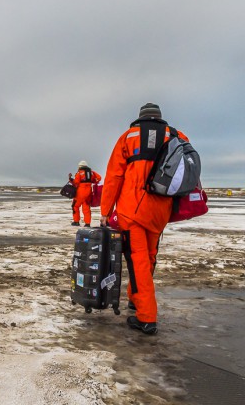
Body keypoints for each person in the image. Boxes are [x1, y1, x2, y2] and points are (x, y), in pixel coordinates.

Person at [100, 103, 190, 335]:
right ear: (159, 118)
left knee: (137, 261)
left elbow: (114, 177)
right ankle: (136, 299)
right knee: (148, 258)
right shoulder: (177, 136)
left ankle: (146, 318)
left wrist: (106, 211)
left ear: (140, 118)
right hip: (161, 211)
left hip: (132, 212)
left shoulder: (127, 137)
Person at [70, 161, 101, 227]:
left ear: (80, 166)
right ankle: (87, 223)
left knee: (75, 206)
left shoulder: (79, 173)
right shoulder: (91, 172)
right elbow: (99, 178)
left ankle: (76, 221)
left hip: (80, 193)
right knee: (86, 208)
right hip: (88, 192)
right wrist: (93, 181)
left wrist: (71, 179)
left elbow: (76, 182)